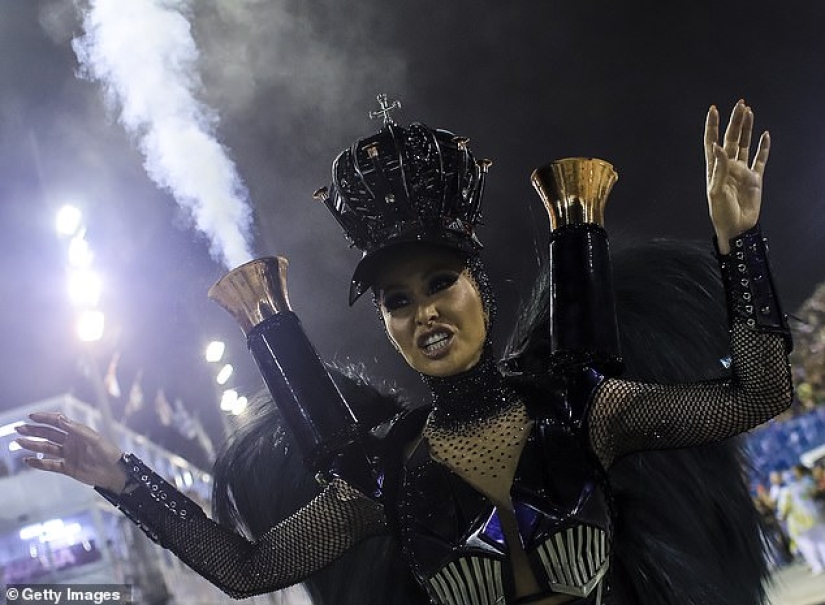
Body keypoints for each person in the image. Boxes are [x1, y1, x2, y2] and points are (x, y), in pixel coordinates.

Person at [15, 99, 793, 605]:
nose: (424, 309)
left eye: (440, 280)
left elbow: (759, 396)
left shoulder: (583, 412)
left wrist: (739, 241)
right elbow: (246, 568)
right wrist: (121, 477)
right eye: (396, 299)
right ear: (386, 323)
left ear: (478, 288)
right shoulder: (385, 475)